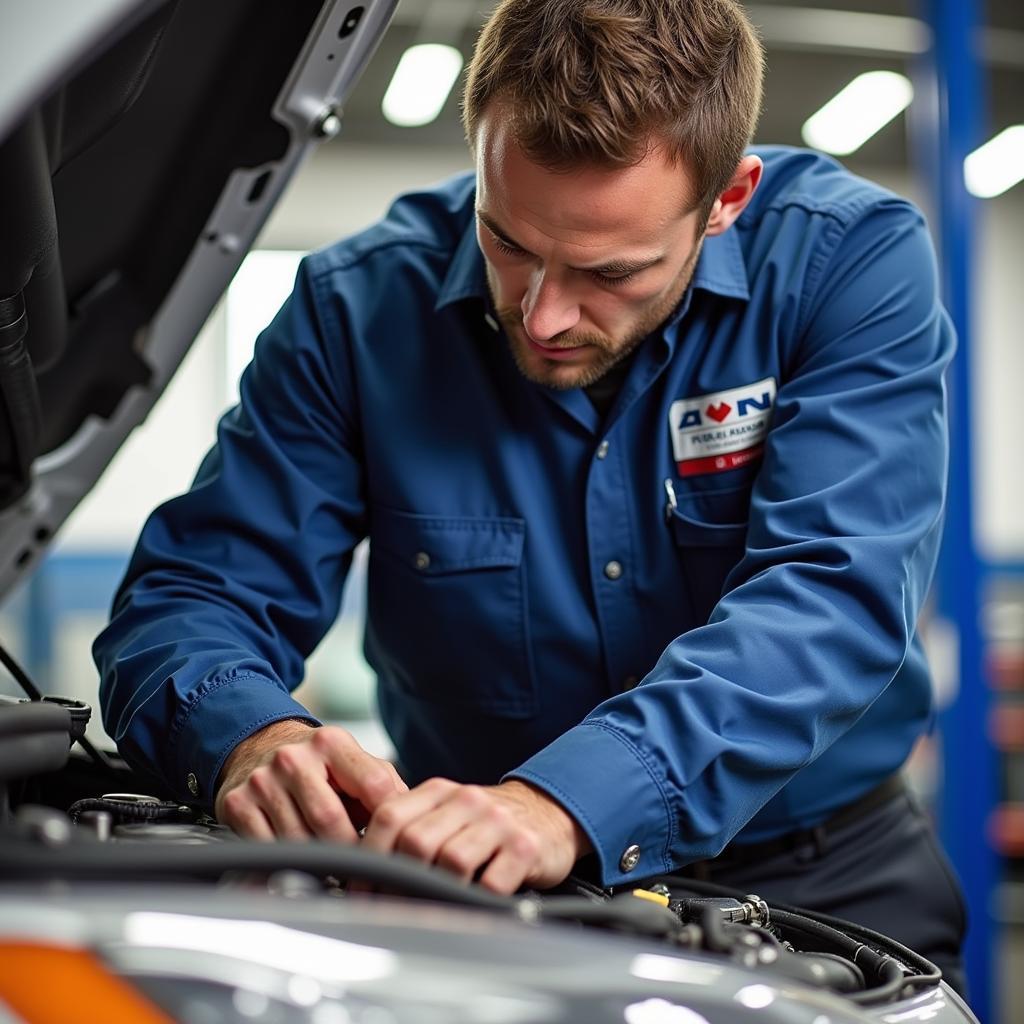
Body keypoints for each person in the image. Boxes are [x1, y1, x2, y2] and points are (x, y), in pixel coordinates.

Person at [95, 0, 967, 992]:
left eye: (609, 271)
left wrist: (567, 800)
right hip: (476, 889)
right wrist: (248, 734)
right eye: (507, 242)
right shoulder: (355, 311)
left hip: (825, 876)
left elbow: (828, 597)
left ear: (727, 198)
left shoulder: (843, 265)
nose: (542, 313)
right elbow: (190, 599)